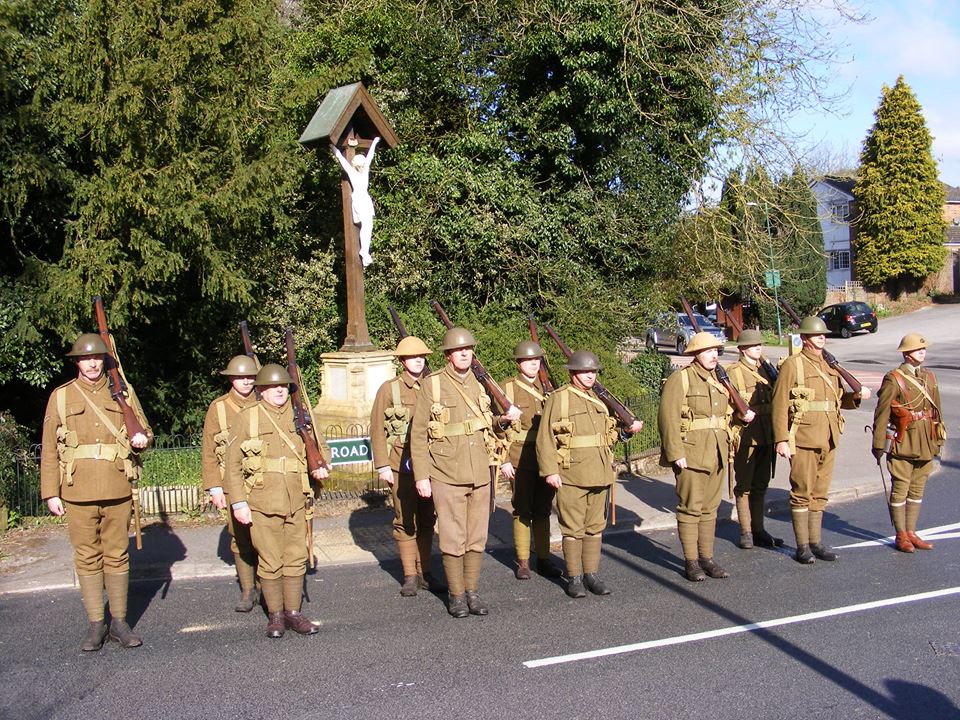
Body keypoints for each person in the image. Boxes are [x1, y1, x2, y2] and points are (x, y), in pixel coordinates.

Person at [40, 333, 152, 651]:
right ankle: (95, 625)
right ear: (76, 361)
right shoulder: (61, 397)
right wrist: (51, 492)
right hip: (77, 489)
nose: (92, 363)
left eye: (97, 357)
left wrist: (142, 439)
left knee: (117, 554)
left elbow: (145, 431)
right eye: (86, 358)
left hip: (117, 485)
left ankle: (119, 622)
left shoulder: (123, 392)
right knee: (87, 557)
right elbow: (49, 449)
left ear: (105, 360)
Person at [409, 327, 521, 618]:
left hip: (480, 470)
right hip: (445, 471)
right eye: (459, 350)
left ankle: (471, 591)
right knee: (451, 536)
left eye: (468, 349)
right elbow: (418, 435)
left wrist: (504, 421)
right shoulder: (432, 385)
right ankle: (456, 595)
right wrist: (421, 476)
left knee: (475, 536)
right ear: (448, 355)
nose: (464, 354)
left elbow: (488, 425)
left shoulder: (481, 383)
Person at [224, 363, 332, 638]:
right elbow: (232, 465)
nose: (279, 391)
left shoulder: (302, 416)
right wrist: (238, 503)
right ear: (261, 390)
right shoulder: (247, 418)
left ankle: (293, 613)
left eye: (283, 386)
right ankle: (275, 615)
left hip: (297, 498)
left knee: (296, 558)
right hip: (261, 500)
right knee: (270, 559)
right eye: (272, 387)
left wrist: (321, 467)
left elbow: (322, 449)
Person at [538, 350, 642, 597]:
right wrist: (550, 470)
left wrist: (626, 431)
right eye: (585, 371)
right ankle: (573, 577)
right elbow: (545, 439)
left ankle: (591, 575)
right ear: (573, 373)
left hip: (600, 471)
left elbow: (610, 436)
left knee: (595, 527)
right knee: (573, 528)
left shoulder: (602, 399)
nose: (589, 376)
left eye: (593, 371)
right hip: (571, 472)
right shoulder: (559, 398)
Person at [772, 316, 868, 564]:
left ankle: (815, 541)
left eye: (823, 334)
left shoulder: (830, 365)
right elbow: (780, 403)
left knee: (820, 493)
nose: (822, 337)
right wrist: (781, 439)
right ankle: (802, 546)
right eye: (816, 335)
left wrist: (855, 397)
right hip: (804, 437)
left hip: (829, 436)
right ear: (804, 338)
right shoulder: (793, 365)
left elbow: (836, 401)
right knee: (801, 492)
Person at [659, 333, 750, 582]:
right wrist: (675, 453)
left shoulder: (721, 379)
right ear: (696, 354)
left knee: (710, 510)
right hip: (691, 453)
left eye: (716, 351)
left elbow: (727, 414)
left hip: (718, 452)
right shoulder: (682, 379)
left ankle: (707, 558)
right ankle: (691, 562)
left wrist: (741, 417)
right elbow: (668, 419)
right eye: (708, 351)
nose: (714, 355)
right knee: (690, 509)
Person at [370, 336, 443, 596]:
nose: (418, 361)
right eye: (413, 357)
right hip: (400, 463)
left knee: (427, 519)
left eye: (421, 357)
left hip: (433, 464)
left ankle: (426, 571)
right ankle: (410, 575)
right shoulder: (390, 389)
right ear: (403, 361)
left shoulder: (434, 385)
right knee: (404, 520)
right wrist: (382, 465)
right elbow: (377, 428)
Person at [871, 333, 944, 553]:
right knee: (900, 488)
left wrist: (938, 438)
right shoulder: (894, 378)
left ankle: (912, 532)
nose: (922, 352)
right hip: (904, 441)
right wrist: (878, 444)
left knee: (917, 488)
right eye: (916, 349)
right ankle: (901, 534)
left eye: (923, 349)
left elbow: (936, 410)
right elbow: (882, 412)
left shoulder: (929, 377)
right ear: (906, 353)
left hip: (925, 441)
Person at [201, 355, 261, 611]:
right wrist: (214, 487)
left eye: (250, 377)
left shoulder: (264, 401)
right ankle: (248, 590)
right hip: (231, 483)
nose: (246, 382)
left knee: (265, 536)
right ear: (231, 379)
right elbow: (208, 450)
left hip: (261, 482)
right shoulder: (219, 408)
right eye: (240, 377)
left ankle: (266, 586)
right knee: (240, 538)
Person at [499, 341, 563, 580]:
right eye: (528, 360)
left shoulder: (549, 387)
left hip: (546, 457)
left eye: (537, 359)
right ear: (519, 363)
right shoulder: (508, 388)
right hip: (519, 455)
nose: (534, 364)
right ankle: (524, 561)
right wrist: (504, 459)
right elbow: (497, 425)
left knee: (544, 509)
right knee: (522, 509)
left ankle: (544, 559)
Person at [725, 329, 782, 550]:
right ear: (742, 349)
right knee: (744, 486)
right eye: (753, 345)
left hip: (767, 433)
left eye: (759, 345)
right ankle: (746, 532)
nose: (758, 348)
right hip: (746, 436)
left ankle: (759, 529)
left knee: (761, 485)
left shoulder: (767, 370)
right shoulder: (734, 372)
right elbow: (729, 405)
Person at [331, 137, 380, 266]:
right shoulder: (353, 173)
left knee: (368, 226)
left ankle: (365, 251)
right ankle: (364, 251)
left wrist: (374, 143)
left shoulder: (364, 172)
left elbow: (369, 157)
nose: (364, 165)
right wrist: (333, 148)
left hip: (365, 199)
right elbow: (342, 160)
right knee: (366, 224)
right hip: (359, 200)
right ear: (358, 165)